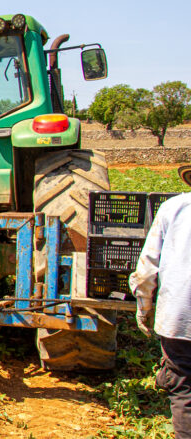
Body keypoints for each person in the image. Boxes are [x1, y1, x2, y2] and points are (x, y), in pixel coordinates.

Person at [129, 164, 191, 438]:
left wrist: (145, 309)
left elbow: (147, 270)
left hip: (179, 316)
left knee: (184, 389)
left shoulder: (173, 208)